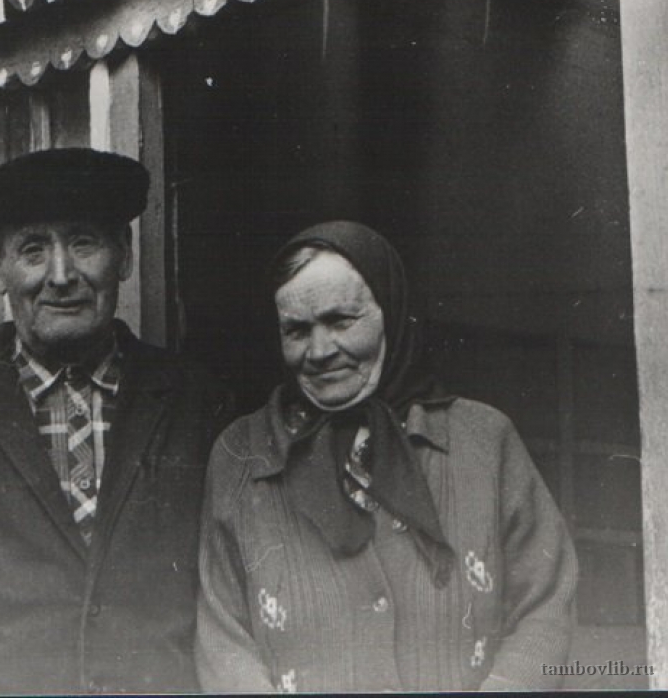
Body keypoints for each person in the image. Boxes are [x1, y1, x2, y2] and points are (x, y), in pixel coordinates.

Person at [0, 148, 233, 695]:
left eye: (84, 243)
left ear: (124, 255)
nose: (61, 275)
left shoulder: (200, 405)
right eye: (33, 250)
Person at [195, 221, 577, 692]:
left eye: (341, 321)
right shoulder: (241, 456)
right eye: (297, 330)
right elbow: (223, 642)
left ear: (392, 315)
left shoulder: (484, 440)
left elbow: (545, 606)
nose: (319, 351)